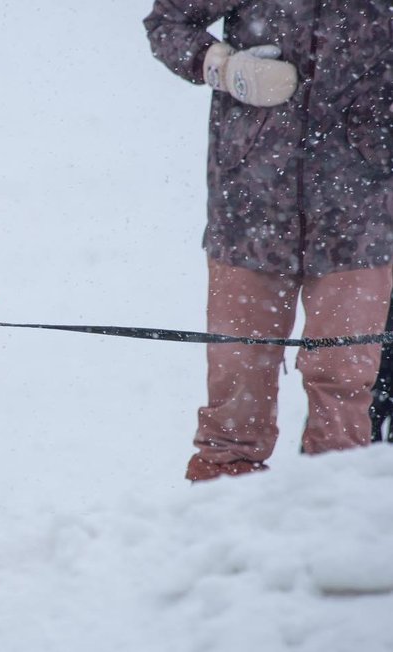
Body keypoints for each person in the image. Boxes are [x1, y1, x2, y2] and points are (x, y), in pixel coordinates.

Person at [143, 2, 393, 481]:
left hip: (363, 218)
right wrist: (221, 66)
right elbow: (167, 21)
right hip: (249, 211)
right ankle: (223, 519)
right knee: (237, 388)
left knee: (344, 386)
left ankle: (333, 515)